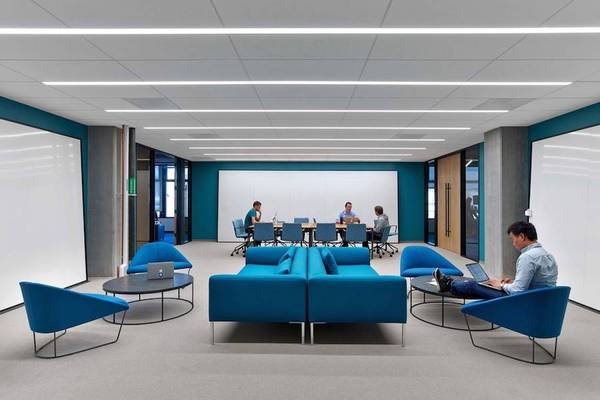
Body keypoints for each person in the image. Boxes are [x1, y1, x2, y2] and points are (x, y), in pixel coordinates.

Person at [433, 221, 558, 300]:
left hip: (522, 301)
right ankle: (451, 282)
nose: (513, 243)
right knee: (487, 284)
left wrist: (502, 285)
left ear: (521, 237)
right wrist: (512, 282)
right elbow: (539, 283)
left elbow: (518, 291)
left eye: (513, 239)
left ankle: (449, 284)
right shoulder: (548, 255)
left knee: (473, 285)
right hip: (539, 299)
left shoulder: (527, 257)